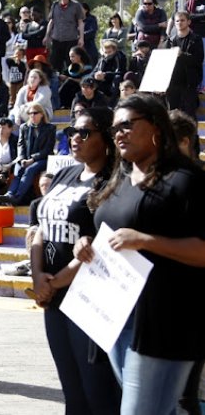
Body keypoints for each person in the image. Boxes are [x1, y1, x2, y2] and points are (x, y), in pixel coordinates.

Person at [74, 93, 205, 414]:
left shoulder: (185, 181)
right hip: (116, 315)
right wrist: (87, 244)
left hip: (165, 322)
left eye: (129, 125)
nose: (119, 132)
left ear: (157, 128)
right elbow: (110, 229)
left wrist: (145, 240)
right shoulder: (120, 181)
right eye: (115, 127)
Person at [29, 107, 122, 414]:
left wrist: (54, 282)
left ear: (105, 138)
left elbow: (98, 245)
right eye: (72, 132)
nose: (75, 139)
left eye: (84, 133)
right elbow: (42, 226)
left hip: (86, 299)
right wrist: (38, 275)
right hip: (52, 298)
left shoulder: (112, 181)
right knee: (71, 390)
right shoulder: (67, 173)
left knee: (97, 391)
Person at [0, 102, 56, 206]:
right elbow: (20, 145)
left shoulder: (50, 128)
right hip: (26, 158)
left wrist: (32, 159)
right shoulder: (24, 127)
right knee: (18, 168)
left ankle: (17, 197)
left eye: (35, 113)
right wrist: (22, 158)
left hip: (43, 159)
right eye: (30, 113)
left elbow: (48, 149)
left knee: (30, 169)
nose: (32, 115)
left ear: (41, 114)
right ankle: (10, 194)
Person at [163, 11, 203, 118]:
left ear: (188, 22)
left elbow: (198, 60)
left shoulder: (196, 39)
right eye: (177, 21)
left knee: (189, 115)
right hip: (172, 84)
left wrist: (182, 55)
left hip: (189, 83)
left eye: (182, 20)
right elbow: (164, 64)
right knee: (172, 116)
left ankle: (192, 135)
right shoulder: (170, 41)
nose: (179, 23)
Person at [43, 0, 85, 72]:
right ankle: (56, 84)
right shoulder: (55, 5)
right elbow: (51, 21)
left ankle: (71, 83)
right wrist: (47, 36)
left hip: (71, 39)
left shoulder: (76, 5)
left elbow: (80, 22)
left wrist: (81, 38)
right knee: (55, 64)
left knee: (71, 64)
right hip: (57, 39)